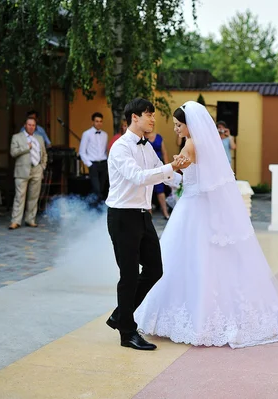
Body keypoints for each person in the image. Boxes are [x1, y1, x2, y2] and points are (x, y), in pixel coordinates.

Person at [134, 101, 278, 349]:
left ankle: (195, 320)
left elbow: (181, 177)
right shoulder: (205, 145)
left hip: (191, 208)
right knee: (209, 262)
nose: (176, 129)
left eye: (178, 125)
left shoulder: (190, 145)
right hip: (200, 206)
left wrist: (162, 171)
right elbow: (199, 178)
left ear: (189, 125)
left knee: (185, 261)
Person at [104, 98, 190, 351]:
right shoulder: (120, 147)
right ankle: (127, 333)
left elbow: (163, 173)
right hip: (122, 216)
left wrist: (190, 183)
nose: (153, 119)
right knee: (129, 275)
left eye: (153, 115)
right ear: (134, 118)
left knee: (155, 269)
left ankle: (121, 315)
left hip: (143, 215)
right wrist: (170, 167)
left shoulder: (147, 146)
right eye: (148, 115)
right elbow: (139, 177)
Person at [9, 116, 47, 230]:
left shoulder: (39, 138)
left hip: (36, 169)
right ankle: (15, 221)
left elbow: (44, 154)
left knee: (34, 197)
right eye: (29, 125)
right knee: (19, 197)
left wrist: (42, 166)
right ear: (25, 125)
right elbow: (13, 152)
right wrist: (27, 147)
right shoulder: (17, 137)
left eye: (33, 125)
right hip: (22, 170)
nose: (31, 127)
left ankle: (30, 219)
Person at [79, 112, 109, 202]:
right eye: (97, 121)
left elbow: (105, 150)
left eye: (100, 121)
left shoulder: (105, 135)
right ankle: (96, 210)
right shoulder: (86, 134)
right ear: (92, 122)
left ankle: (94, 207)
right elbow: (82, 151)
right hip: (93, 164)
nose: (99, 123)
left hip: (104, 163)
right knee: (97, 189)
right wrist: (89, 164)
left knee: (103, 188)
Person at [145, 130, 170, 219]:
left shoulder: (159, 137)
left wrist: (167, 167)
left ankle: (165, 212)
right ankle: (149, 214)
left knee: (160, 190)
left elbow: (164, 152)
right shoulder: (142, 137)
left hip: (158, 167)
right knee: (148, 190)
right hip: (147, 168)